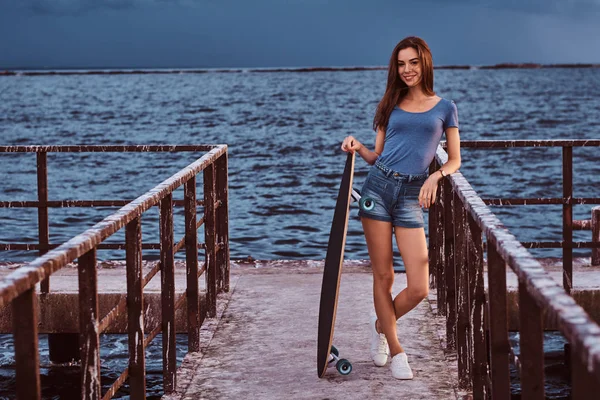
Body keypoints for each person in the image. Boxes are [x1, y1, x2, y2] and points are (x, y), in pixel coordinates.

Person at [340, 36, 461, 380]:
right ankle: (397, 350)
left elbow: (454, 160)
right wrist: (357, 146)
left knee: (420, 285)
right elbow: (377, 155)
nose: (407, 70)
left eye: (413, 63)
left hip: (411, 195)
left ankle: (382, 325)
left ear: (425, 64)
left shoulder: (445, 107)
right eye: (401, 63)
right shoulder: (388, 104)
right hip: (377, 188)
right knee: (384, 275)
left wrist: (434, 178)